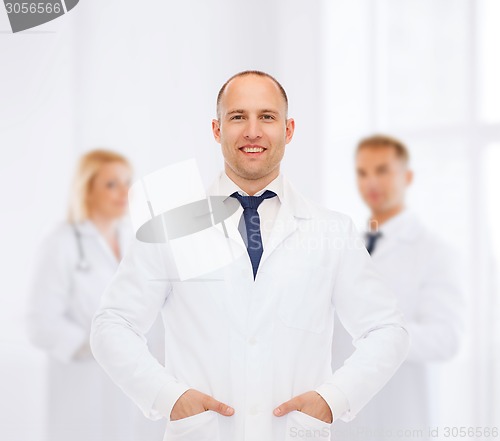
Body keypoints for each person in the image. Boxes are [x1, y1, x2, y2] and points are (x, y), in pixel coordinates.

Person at [90, 71, 410, 441]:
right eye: (238, 116)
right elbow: (112, 324)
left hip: (296, 433)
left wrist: (334, 398)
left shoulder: (331, 231)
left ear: (289, 130)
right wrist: (169, 397)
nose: (253, 131)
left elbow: (387, 330)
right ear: (217, 129)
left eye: (267, 117)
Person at [331, 135, 465, 441]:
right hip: (346, 413)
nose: (371, 183)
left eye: (382, 171)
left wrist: (382, 335)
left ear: (407, 177)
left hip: (400, 414)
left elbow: (447, 338)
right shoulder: (349, 244)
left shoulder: (434, 251)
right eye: (362, 173)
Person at [27, 149, 166, 441]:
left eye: (128, 182)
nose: (124, 192)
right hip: (83, 384)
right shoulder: (60, 242)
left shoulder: (136, 241)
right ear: (87, 189)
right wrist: (100, 346)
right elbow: (41, 324)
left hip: (131, 385)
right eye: (111, 184)